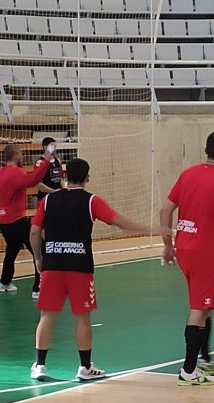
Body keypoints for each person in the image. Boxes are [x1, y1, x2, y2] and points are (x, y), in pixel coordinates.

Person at [28, 158, 151, 382]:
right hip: (80, 268)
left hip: (53, 266)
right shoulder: (91, 201)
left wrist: (38, 258)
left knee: (47, 316)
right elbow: (119, 221)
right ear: (87, 178)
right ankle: (84, 368)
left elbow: (35, 232)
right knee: (82, 318)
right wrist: (151, 229)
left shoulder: (47, 201)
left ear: (64, 176)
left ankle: (40, 365)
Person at [160, 130, 214, 386]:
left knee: (206, 307)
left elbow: (165, 210)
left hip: (184, 247)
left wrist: (167, 245)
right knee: (199, 309)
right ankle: (188, 370)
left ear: (206, 149)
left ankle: (202, 360)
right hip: (204, 252)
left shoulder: (188, 173)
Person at [0, 144, 48, 294]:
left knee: (12, 249)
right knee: (39, 251)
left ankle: (4, 282)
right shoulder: (18, 173)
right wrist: (46, 158)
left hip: (2, 222)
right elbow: (34, 179)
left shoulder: (0, 173)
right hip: (16, 220)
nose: (22, 156)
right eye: (20, 154)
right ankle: (38, 289)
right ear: (15, 156)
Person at [31, 137, 65, 299]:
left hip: (57, 203)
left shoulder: (57, 161)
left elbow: (61, 181)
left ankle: (54, 282)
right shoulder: (40, 162)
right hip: (45, 202)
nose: (55, 148)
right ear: (45, 146)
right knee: (43, 242)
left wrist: (65, 191)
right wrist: (53, 192)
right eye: (52, 145)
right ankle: (38, 286)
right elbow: (37, 183)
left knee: (55, 240)